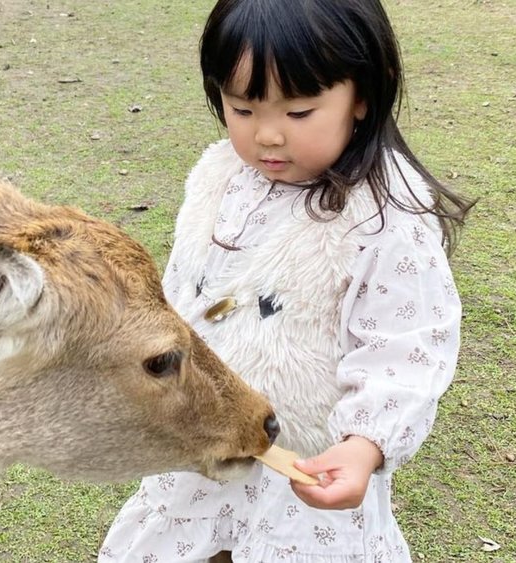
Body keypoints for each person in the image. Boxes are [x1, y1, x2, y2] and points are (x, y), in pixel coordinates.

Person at [99, 0, 475, 560]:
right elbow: (185, 294)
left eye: (298, 113)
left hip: (305, 468)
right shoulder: (220, 177)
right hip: (207, 435)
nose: (267, 136)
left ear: (365, 93)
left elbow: (406, 345)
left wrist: (364, 445)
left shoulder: (382, 216)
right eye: (242, 109)